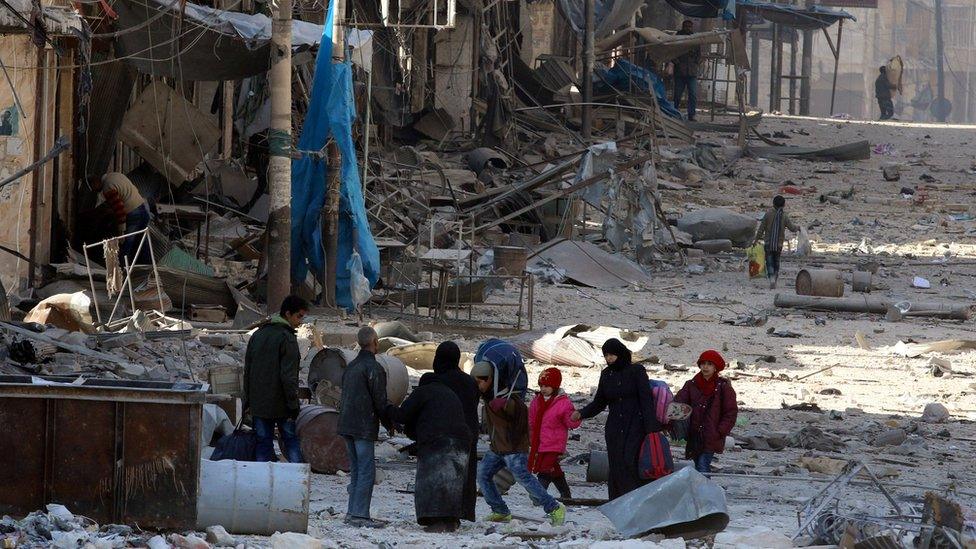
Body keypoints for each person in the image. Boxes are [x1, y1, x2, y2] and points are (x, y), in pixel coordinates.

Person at [472, 361, 567, 526]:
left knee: (524, 478)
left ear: (489, 380)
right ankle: (500, 511)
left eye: (479, 382)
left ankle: (554, 508)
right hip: (497, 448)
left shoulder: (507, 397)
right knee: (483, 474)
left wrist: (505, 406)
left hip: (513, 448)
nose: (477, 386)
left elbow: (518, 411)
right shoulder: (488, 397)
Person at [571, 338, 660, 500]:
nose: (609, 359)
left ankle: (635, 499)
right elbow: (600, 402)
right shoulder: (606, 374)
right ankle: (617, 500)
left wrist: (651, 428)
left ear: (620, 353)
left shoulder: (637, 371)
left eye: (612, 355)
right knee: (616, 464)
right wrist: (582, 413)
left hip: (636, 426)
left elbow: (646, 400)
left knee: (630, 462)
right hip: (614, 428)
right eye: (606, 355)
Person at [395, 372, 472, 532]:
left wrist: (387, 408)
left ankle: (436, 522)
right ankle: (451, 521)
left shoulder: (423, 392)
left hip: (438, 442)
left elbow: (403, 415)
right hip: (462, 442)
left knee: (432, 482)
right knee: (452, 483)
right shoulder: (449, 393)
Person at [337, 326, 396, 528]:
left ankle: (352, 512)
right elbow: (380, 401)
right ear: (375, 342)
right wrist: (390, 424)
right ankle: (360, 515)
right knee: (366, 471)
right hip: (363, 427)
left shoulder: (351, 367)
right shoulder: (374, 368)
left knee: (356, 469)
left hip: (346, 425)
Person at [243, 295, 307, 464]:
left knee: (263, 443)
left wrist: (247, 402)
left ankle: (264, 483)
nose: (300, 321)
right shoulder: (287, 338)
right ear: (287, 314)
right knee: (291, 441)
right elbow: (288, 377)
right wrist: (293, 405)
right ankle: (296, 482)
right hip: (282, 405)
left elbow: (247, 372)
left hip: (259, 404)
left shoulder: (258, 335)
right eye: (299, 316)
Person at [430, 341, 480, 522]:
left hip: (447, 434)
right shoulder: (469, 381)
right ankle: (466, 513)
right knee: (467, 475)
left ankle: (447, 515)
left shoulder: (439, 381)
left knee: (447, 475)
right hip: (469, 433)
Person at [674, 350, 737, 474]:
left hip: (711, 435)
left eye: (709, 364)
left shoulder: (724, 388)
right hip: (694, 435)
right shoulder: (691, 385)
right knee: (699, 466)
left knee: (703, 466)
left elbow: (730, 412)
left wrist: (720, 432)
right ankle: (704, 492)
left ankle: (704, 493)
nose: (705, 367)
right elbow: (678, 405)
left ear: (715, 367)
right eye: (703, 363)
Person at [528, 367, 581, 499]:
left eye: (547, 386)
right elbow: (531, 419)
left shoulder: (563, 403)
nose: (543, 389)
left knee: (545, 468)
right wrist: (530, 434)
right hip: (541, 441)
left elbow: (570, 421)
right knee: (554, 468)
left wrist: (575, 418)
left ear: (555, 386)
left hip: (555, 442)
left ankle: (538, 495)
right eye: (541, 386)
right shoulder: (537, 401)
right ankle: (565, 493)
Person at [92, 172, 151, 265]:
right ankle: (148, 270)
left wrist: (121, 231)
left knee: (125, 246)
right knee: (142, 244)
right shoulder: (115, 175)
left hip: (133, 214)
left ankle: (121, 273)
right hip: (142, 208)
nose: (93, 190)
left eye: (93, 187)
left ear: (96, 181)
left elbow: (119, 210)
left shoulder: (108, 187)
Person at [753, 195, 800, 289]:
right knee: (777, 261)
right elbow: (792, 228)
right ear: (784, 205)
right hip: (778, 244)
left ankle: (772, 279)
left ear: (773, 204)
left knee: (769, 261)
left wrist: (756, 240)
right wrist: (798, 228)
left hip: (768, 243)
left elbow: (761, 229)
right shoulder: (784, 216)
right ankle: (775, 277)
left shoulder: (768, 214)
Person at [672, 20, 701, 122]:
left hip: (692, 72)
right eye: (686, 26)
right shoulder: (677, 37)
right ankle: (674, 113)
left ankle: (691, 115)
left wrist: (696, 63)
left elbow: (699, 54)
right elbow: (672, 53)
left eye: (690, 27)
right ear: (683, 27)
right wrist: (677, 62)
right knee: (677, 95)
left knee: (692, 94)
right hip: (680, 72)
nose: (688, 29)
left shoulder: (695, 38)